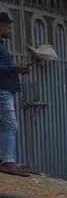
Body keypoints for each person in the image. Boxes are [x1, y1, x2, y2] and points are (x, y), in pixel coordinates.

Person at [0, 11, 32, 176]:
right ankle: (8, 161)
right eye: (8, 26)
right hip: (2, 90)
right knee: (10, 124)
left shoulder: (2, 45)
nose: (10, 29)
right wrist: (15, 68)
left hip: (5, 88)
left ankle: (5, 158)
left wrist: (17, 69)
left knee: (4, 125)